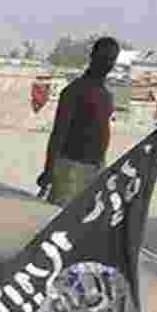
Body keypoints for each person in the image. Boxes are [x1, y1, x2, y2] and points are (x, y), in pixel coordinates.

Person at [37, 36, 120, 205]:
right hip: (70, 170)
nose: (107, 63)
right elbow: (59, 132)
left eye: (111, 59)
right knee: (63, 221)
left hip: (96, 170)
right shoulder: (74, 91)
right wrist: (49, 170)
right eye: (104, 57)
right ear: (93, 56)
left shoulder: (106, 95)